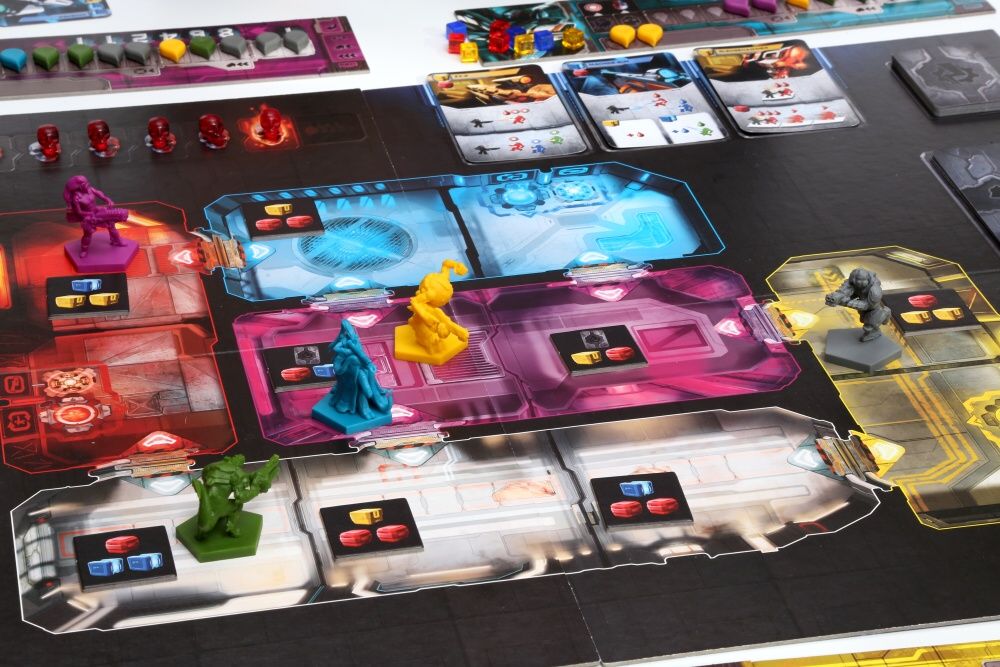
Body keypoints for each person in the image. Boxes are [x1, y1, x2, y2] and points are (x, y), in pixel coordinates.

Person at [63, 175, 129, 258]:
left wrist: (108, 200)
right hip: (87, 216)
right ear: (79, 187)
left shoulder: (90, 189)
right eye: (84, 184)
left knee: (111, 225)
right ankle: (84, 250)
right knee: (87, 234)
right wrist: (90, 214)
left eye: (87, 182)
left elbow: (101, 195)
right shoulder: (76, 198)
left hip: (97, 211)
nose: (87, 184)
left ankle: (117, 241)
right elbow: (79, 212)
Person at [825, 268, 891, 342]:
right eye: (858, 280)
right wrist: (837, 296)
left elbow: (867, 305)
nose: (860, 282)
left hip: (873, 308)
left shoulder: (875, 290)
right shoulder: (852, 282)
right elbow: (845, 291)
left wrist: (845, 302)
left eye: (862, 280)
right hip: (863, 307)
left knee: (869, 326)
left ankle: (885, 313)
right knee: (863, 320)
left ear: (868, 279)